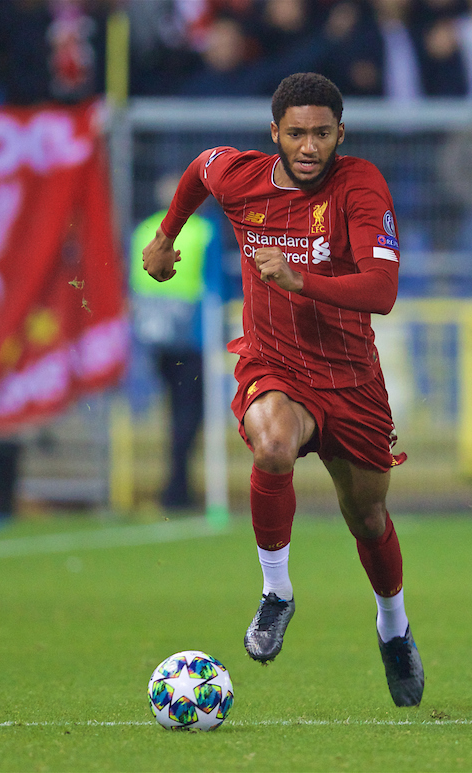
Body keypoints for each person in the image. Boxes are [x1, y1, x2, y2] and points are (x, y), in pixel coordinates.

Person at [141, 73, 423, 707]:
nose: (308, 146)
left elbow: (382, 291)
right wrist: (166, 236)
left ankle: (393, 627)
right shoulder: (240, 176)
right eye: (296, 133)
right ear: (275, 134)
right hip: (275, 364)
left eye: (322, 134)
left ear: (340, 135)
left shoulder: (361, 186)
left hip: (350, 379)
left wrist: (302, 280)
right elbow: (199, 170)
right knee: (270, 445)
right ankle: (277, 592)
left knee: (368, 517)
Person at [129, 176, 220, 510]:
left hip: (154, 337)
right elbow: (213, 286)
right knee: (189, 414)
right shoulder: (204, 231)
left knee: (176, 412)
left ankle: (177, 486)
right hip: (192, 338)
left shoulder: (143, 230)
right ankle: (177, 489)